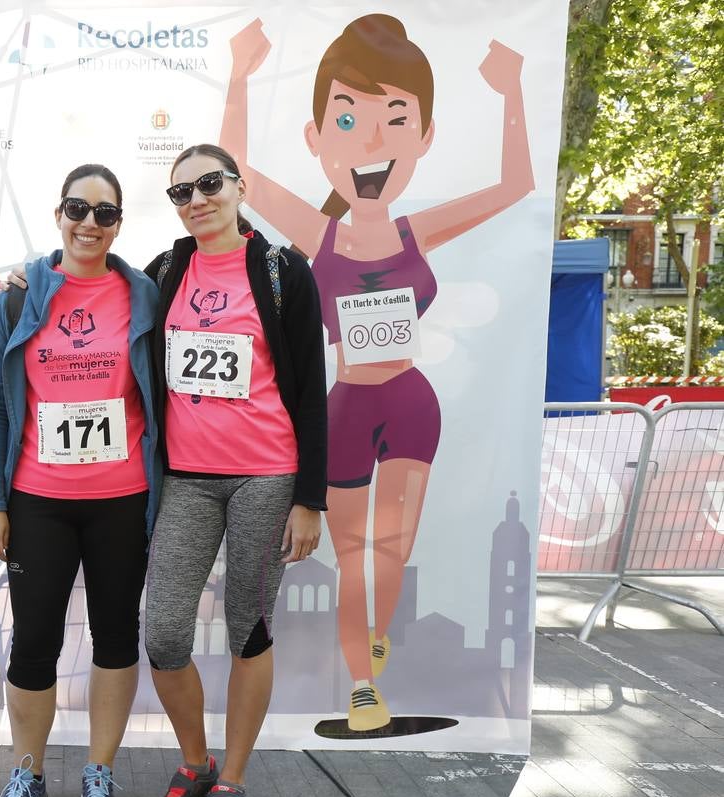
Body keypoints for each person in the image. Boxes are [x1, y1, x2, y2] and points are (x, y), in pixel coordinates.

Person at [221, 15, 533, 731]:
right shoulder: (316, 232)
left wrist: (513, 91)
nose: (371, 140)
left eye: (396, 120)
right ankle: (364, 684)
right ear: (316, 138)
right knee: (352, 552)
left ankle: (374, 634)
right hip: (347, 413)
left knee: (392, 553)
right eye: (348, 117)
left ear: (423, 137)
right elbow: (235, 170)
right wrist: (239, 74)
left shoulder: (417, 232)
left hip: (413, 405)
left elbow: (516, 183)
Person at [141, 143, 327, 797]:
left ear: (239, 186)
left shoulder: (283, 272)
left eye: (209, 184)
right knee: (163, 634)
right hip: (186, 479)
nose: (196, 200)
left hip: (265, 477)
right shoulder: (165, 271)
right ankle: (195, 764)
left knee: (249, 627)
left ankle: (233, 783)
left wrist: (310, 499)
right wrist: (22, 283)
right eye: (181, 191)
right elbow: (90, 292)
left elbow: (311, 392)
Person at [0, 163, 162, 797]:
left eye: (105, 213)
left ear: (119, 223)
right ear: (58, 214)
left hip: (122, 501)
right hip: (38, 501)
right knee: (33, 642)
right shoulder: (20, 295)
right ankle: (28, 775)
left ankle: (99, 773)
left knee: (116, 638)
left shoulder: (144, 293)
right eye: (77, 209)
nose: (89, 222)